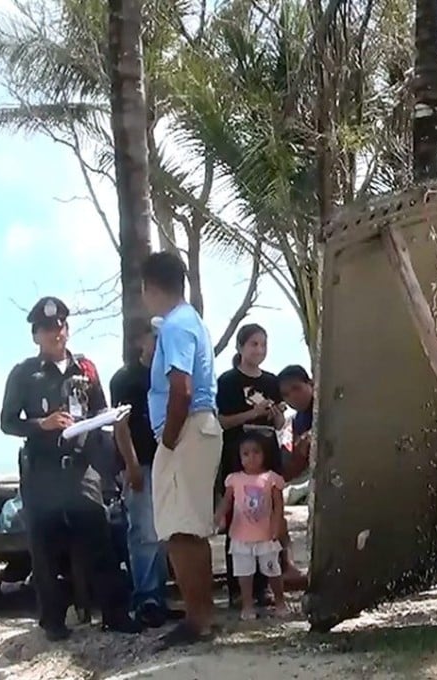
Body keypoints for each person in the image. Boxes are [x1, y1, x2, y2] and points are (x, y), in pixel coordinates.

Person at [0, 296, 141, 641]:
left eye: (61, 325)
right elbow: (7, 423)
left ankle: (114, 613)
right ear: (36, 335)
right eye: (48, 328)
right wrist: (42, 424)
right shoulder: (24, 374)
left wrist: (106, 425)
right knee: (45, 548)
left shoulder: (86, 369)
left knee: (98, 539)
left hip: (81, 468)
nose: (56, 332)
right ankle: (52, 620)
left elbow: (100, 411)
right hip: (43, 471)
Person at [142, 252, 223, 648]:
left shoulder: (175, 326)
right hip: (200, 427)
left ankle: (196, 619)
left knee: (178, 528)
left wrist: (169, 439)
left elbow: (182, 388)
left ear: (150, 288)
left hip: (186, 429)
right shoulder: (191, 321)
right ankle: (202, 615)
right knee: (190, 528)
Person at [110, 318, 182, 628]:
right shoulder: (125, 379)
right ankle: (146, 598)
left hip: (170, 461)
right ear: (141, 340)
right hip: (143, 462)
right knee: (143, 532)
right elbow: (120, 426)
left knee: (165, 532)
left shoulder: (171, 375)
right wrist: (131, 464)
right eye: (154, 336)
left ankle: (160, 596)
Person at [215, 324, 289, 603]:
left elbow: (281, 423)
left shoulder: (272, 381)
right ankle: (239, 588)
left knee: (268, 514)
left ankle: (268, 583)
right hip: (238, 453)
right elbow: (222, 421)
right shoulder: (227, 381)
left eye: (263, 344)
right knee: (239, 516)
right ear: (240, 347)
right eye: (253, 344)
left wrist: (274, 414)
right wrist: (251, 413)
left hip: (268, 453)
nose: (259, 350)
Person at [215, 435, 288, 621]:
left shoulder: (271, 478)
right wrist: (218, 516)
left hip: (266, 535)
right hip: (240, 535)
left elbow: (278, 505)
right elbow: (227, 502)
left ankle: (280, 602)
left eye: (256, 452)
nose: (251, 457)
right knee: (244, 573)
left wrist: (278, 525)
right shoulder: (233, 479)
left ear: (265, 454)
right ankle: (247, 605)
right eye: (245, 454)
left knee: (272, 569)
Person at [277, 364, 314, 484]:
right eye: (286, 394)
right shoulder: (296, 422)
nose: (292, 397)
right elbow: (293, 470)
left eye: (296, 388)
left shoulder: (326, 404)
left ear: (311, 384)